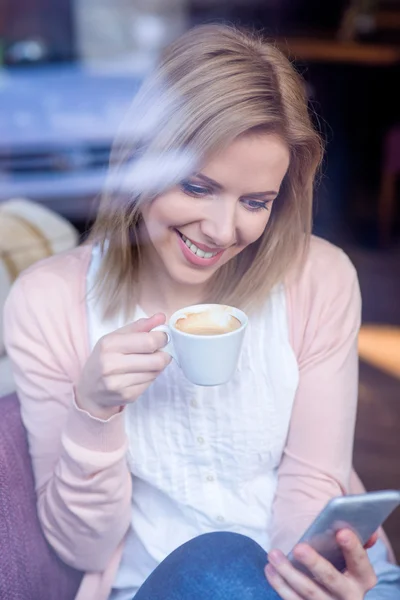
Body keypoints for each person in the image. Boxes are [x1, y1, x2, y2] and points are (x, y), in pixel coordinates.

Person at [3, 24, 400, 600]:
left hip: (311, 582)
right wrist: (94, 410)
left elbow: (312, 479)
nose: (221, 231)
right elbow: (82, 549)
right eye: (196, 187)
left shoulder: (320, 278)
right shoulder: (50, 301)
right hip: (165, 585)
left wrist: (316, 577)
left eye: (255, 202)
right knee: (221, 566)